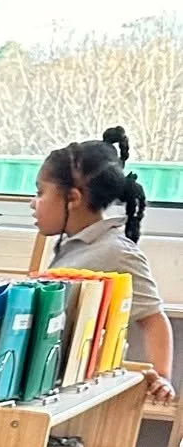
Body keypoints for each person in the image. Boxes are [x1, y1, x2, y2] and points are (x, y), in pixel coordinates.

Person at [33, 127, 175, 413]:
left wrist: (161, 377)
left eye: (40, 192)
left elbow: (153, 318)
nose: (33, 203)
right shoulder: (71, 246)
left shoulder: (116, 252)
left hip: (80, 398)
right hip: (51, 388)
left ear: (73, 198)